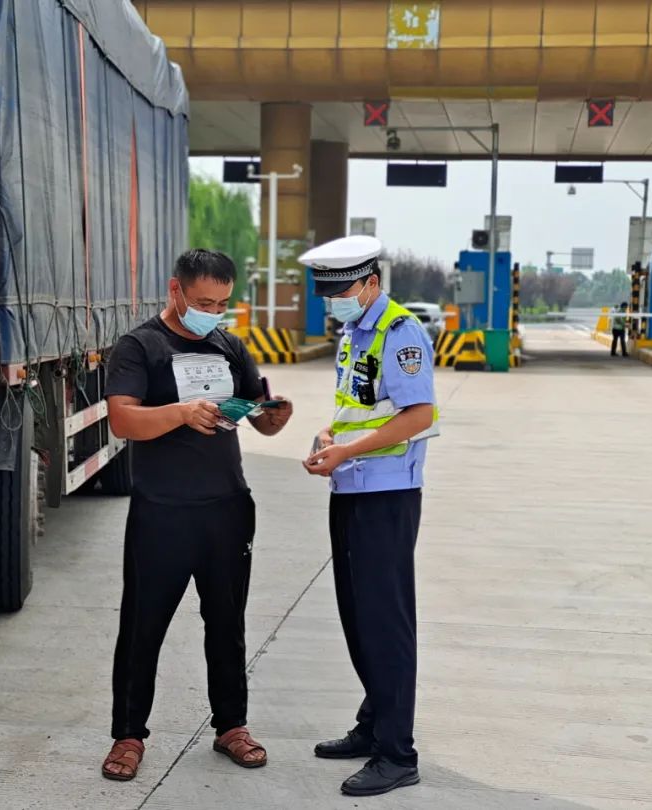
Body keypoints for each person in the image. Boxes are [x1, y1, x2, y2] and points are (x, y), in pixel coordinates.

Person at [100, 249, 293, 782]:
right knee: (143, 626)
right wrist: (182, 413)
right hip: (162, 511)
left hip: (226, 507)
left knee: (227, 623)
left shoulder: (229, 346)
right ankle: (128, 735)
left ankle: (232, 726)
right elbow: (123, 420)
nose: (213, 312)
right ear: (175, 290)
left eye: (222, 304)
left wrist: (273, 415)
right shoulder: (140, 346)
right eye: (204, 302)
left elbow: (258, 413)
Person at [300, 235, 439, 798]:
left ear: (371, 284)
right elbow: (358, 408)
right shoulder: (354, 333)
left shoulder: (400, 331)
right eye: (327, 295)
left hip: (386, 495)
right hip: (350, 487)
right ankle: (373, 723)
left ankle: (396, 753)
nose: (333, 302)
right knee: (357, 616)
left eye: (341, 292)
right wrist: (328, 436)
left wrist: (348, 451)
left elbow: (419, 414)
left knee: (386, 622)